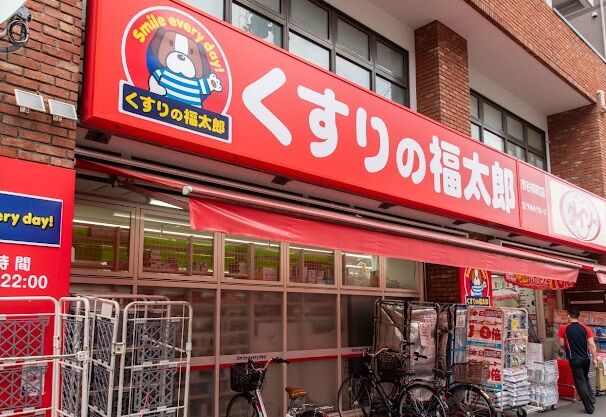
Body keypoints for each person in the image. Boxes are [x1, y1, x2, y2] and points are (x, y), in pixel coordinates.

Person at [558, 310, 598, 414]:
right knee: (585, 377)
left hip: (574, 359)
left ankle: (589, 407)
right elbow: (592, 345)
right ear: (578, 316)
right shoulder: (586, 328)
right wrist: (594, 358)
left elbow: (561, 344)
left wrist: (565, 349)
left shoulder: (563, 328)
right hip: (586, 359)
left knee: (580, 382)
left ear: (568, 316)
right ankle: (591, 398)